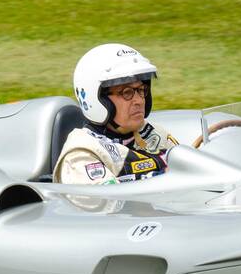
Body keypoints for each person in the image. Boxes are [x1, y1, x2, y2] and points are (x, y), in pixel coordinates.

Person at [54, 43, 179, 185]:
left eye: (141, 89)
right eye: (127, 93)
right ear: (98, 99)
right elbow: (109, 203)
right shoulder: (82, 154)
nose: (139, 100)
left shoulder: (156, 133)